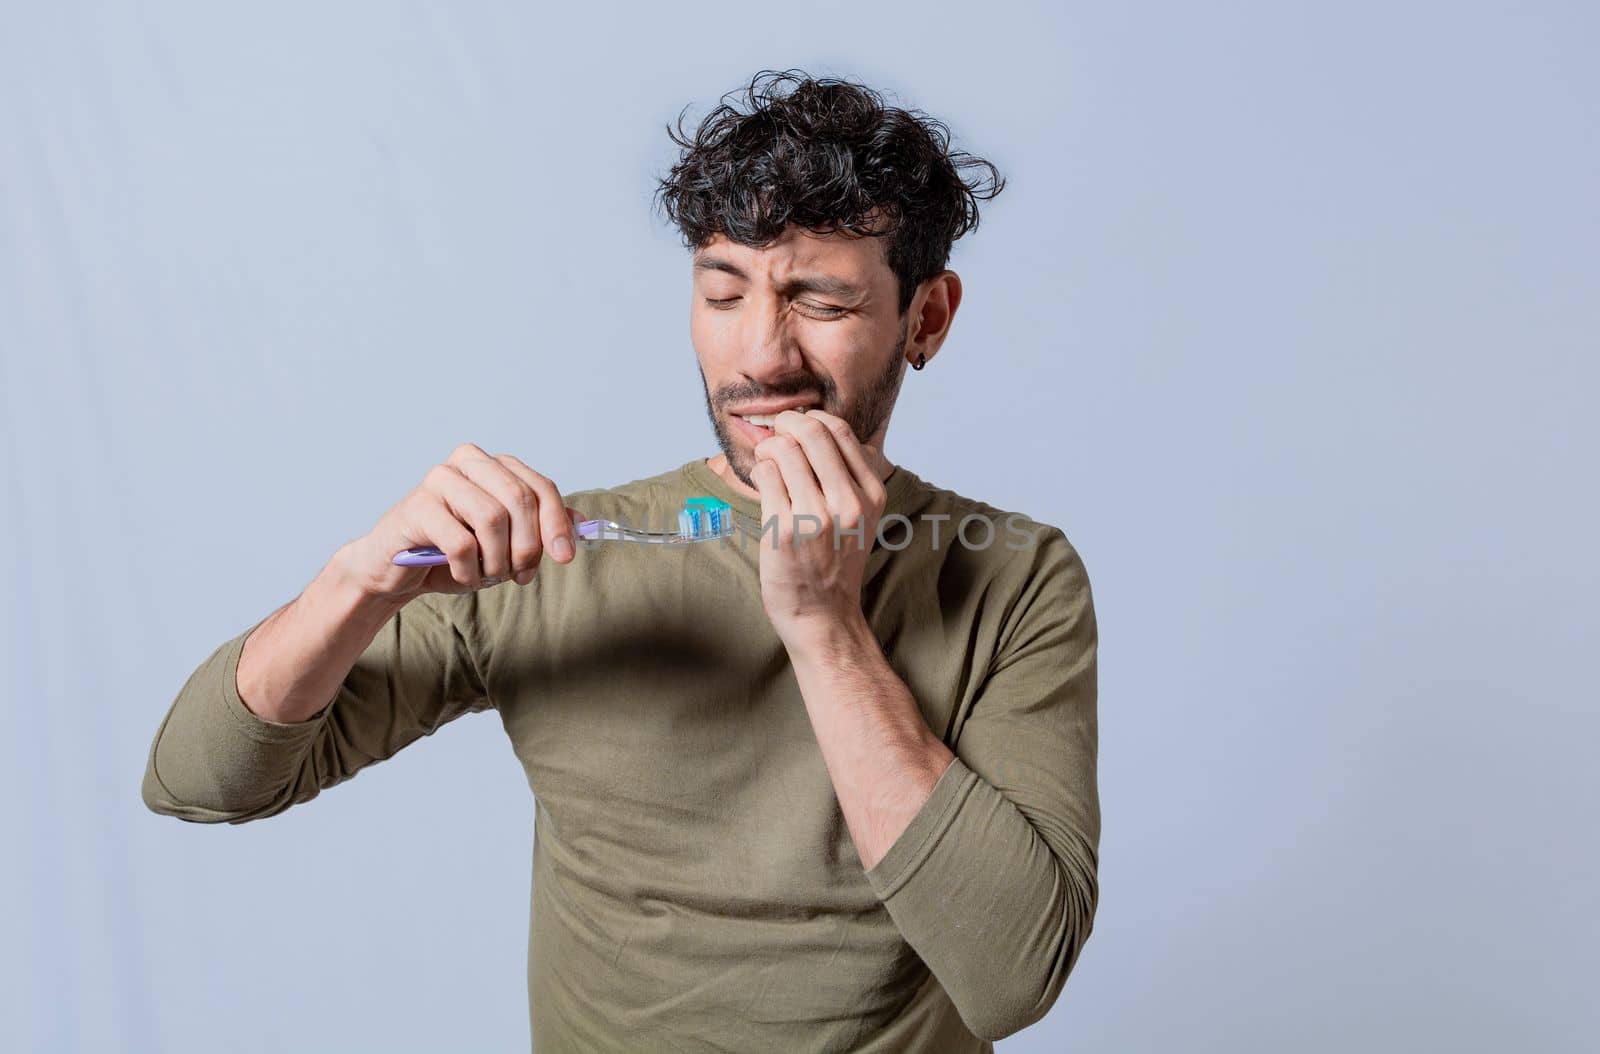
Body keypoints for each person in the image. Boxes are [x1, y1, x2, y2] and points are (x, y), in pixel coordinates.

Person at [141, 68, 1100, 1053]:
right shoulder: (554, 556)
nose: (759, 357)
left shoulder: (1015, 576)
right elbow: (199, 780)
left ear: (926, 319)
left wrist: (825, 625)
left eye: (818, 300)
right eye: (722, 293)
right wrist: (355, 582)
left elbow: (1012, 973)